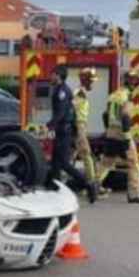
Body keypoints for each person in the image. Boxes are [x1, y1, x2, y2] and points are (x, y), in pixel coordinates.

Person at [97, 68, 139, 204]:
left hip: (111, 133)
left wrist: (108, 130)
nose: (135, 82)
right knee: (134, 164)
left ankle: (93, 186)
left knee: (106, 163)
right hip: (122, 135)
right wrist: (126, 137)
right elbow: (125, 117)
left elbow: (105, 115)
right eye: (134, 80)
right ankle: (134, 194)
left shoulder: (113, 95)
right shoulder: (127, 96)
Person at [46, 65, 93, 201]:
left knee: (64, 163)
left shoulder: (62, 92)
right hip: (61, 130)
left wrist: (50, 125)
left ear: (58, 75)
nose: (50, 77)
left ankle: (88, 184)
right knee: (55, 162)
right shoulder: (61, 89)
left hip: (63, 131)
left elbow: (61, 112)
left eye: (52, 74)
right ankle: (54, 191)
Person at [72, 66, 103, 201]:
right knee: (86, 154)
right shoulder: (80, 93)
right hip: (79, 126)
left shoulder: (81, 92)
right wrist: (78, 129)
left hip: (80, 126)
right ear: (85, 80)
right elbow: (74, 109)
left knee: (73, 156)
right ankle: (92, 184)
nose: (93, 83)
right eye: (91, 81)